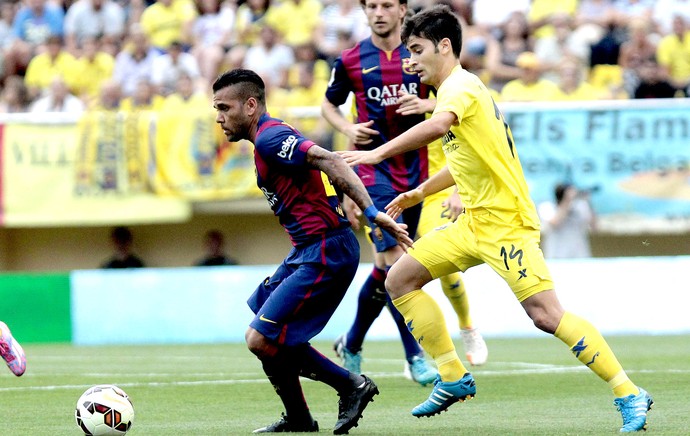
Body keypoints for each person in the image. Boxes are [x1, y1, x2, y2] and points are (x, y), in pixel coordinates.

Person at [340, 5, 653, 432]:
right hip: (471, 223)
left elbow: (437, 127)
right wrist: (419, 192)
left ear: (444, 47)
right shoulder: (453, 92)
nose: (408, 60)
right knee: (399, 279)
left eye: (415, 49)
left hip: (507, 224)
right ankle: (451, 376)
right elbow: (466, 161)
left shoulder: (459, 88)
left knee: (546, 315)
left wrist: (376, 153)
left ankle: (629, 392)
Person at [212, 68, 414, 434]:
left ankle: (350, 385)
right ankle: (300, 419)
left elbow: (331, 161)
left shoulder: (272, 137)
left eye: (225, 107)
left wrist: (371, 212)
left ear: (251, 105)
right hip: (307, 249)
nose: (219, 116)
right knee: (260, 332)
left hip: (326, 250)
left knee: (261, 338)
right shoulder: (267, 140)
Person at [321, 0, 487, 385]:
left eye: (386, 5)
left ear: (402, 10)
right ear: (365, 12)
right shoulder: (350, 60)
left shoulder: (420, 54)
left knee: (388, 268)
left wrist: (426, 103)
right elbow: (329, 106)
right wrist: (346, 131)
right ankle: (415, 356)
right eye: (372, 6)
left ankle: (353, 342)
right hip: (373, 172)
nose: (378, 13)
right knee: (395, 261)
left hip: (416, 173)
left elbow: (455, 99)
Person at [537, 183, 596, 259]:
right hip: (557, 257)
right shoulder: (547, 207)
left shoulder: (580, 206)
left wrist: (588, 202)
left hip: (580, 257)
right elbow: (555, 222)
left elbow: (594, 227)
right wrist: (567, 200)